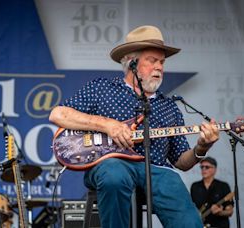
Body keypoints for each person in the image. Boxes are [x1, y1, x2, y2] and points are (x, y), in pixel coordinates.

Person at [49, 25, 220, 228]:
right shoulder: (102, 88)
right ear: (131, 63)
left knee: (184, 208)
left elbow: (181, 160)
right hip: (110, 163)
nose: (159, 67)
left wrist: (202, 147)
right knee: (114, 175)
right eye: (152, 61)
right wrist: (107, 124)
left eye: (162, 62)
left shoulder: (169, 106)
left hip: (157, 169)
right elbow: (58, 114)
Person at [191, 157, 234, 228]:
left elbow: (230, 211)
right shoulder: (195, 186)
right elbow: (192, 207)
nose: (203, 169)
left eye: (207, 167)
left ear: (215, 169)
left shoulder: (223, 186)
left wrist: (220, 212)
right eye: (202, 167)